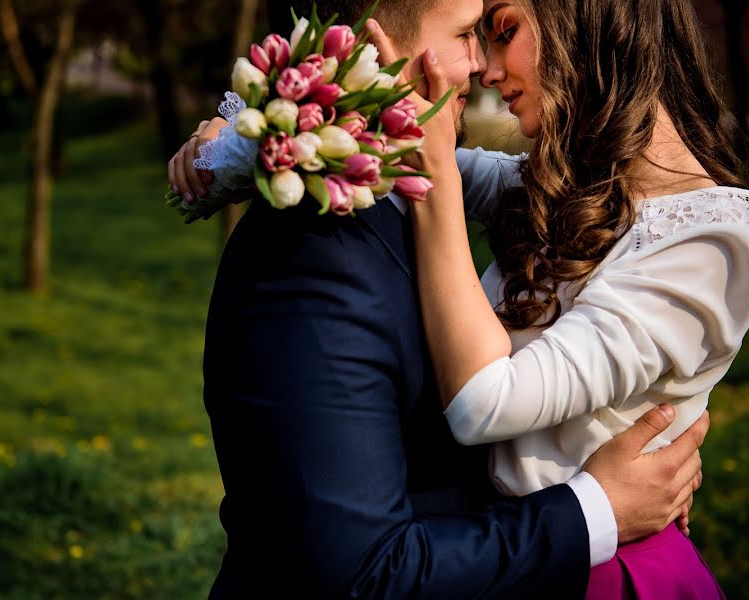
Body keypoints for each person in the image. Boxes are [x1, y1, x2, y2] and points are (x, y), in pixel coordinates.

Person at [171, 1, 709, 597]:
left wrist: (649, 412)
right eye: (465, 35)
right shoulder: (315, 262)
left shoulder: (403, 192)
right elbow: (368, 574)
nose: (482, 65)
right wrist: (600, 509)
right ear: (372, 54)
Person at [364, 0, 749, 597]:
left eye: (506, 31)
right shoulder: (571, 187)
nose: (488, 68)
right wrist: (244, 129)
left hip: (603, 574)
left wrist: (439, 187)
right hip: (517, 553)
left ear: (590, 19)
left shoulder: (709, 241)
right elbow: (385, 151)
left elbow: (484, 403)